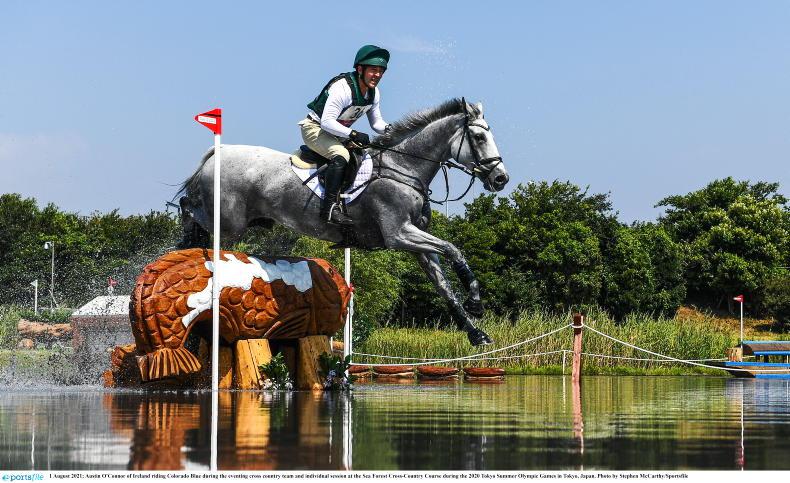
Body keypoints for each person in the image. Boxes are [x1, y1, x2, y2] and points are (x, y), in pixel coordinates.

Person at [299, 44, 391, 225]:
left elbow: (376, 123)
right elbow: (327, 122)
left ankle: (349, 203)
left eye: (381, 71)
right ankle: (328, 209)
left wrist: (391, 129)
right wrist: (353, 133)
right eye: (373, 70)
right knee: (341, 155)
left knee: (366, 158)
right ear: (360, 69)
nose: (378, 75)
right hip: (314, 128)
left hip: (338, 134)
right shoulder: (343, 88)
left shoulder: (374, 93)